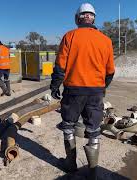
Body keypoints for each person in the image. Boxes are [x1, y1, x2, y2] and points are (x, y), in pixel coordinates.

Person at [50, 3, 115, 179]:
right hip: (95, 91)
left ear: (78, 18)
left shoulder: (69, 36)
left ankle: (70, 165)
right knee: (94, 130)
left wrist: (55, 86)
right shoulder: (105, 40)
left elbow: (60, 67)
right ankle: (93, 172)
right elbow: (110, 71)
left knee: (68, 127)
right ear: (93, 18)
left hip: (73, 90)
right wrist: (101, 88)